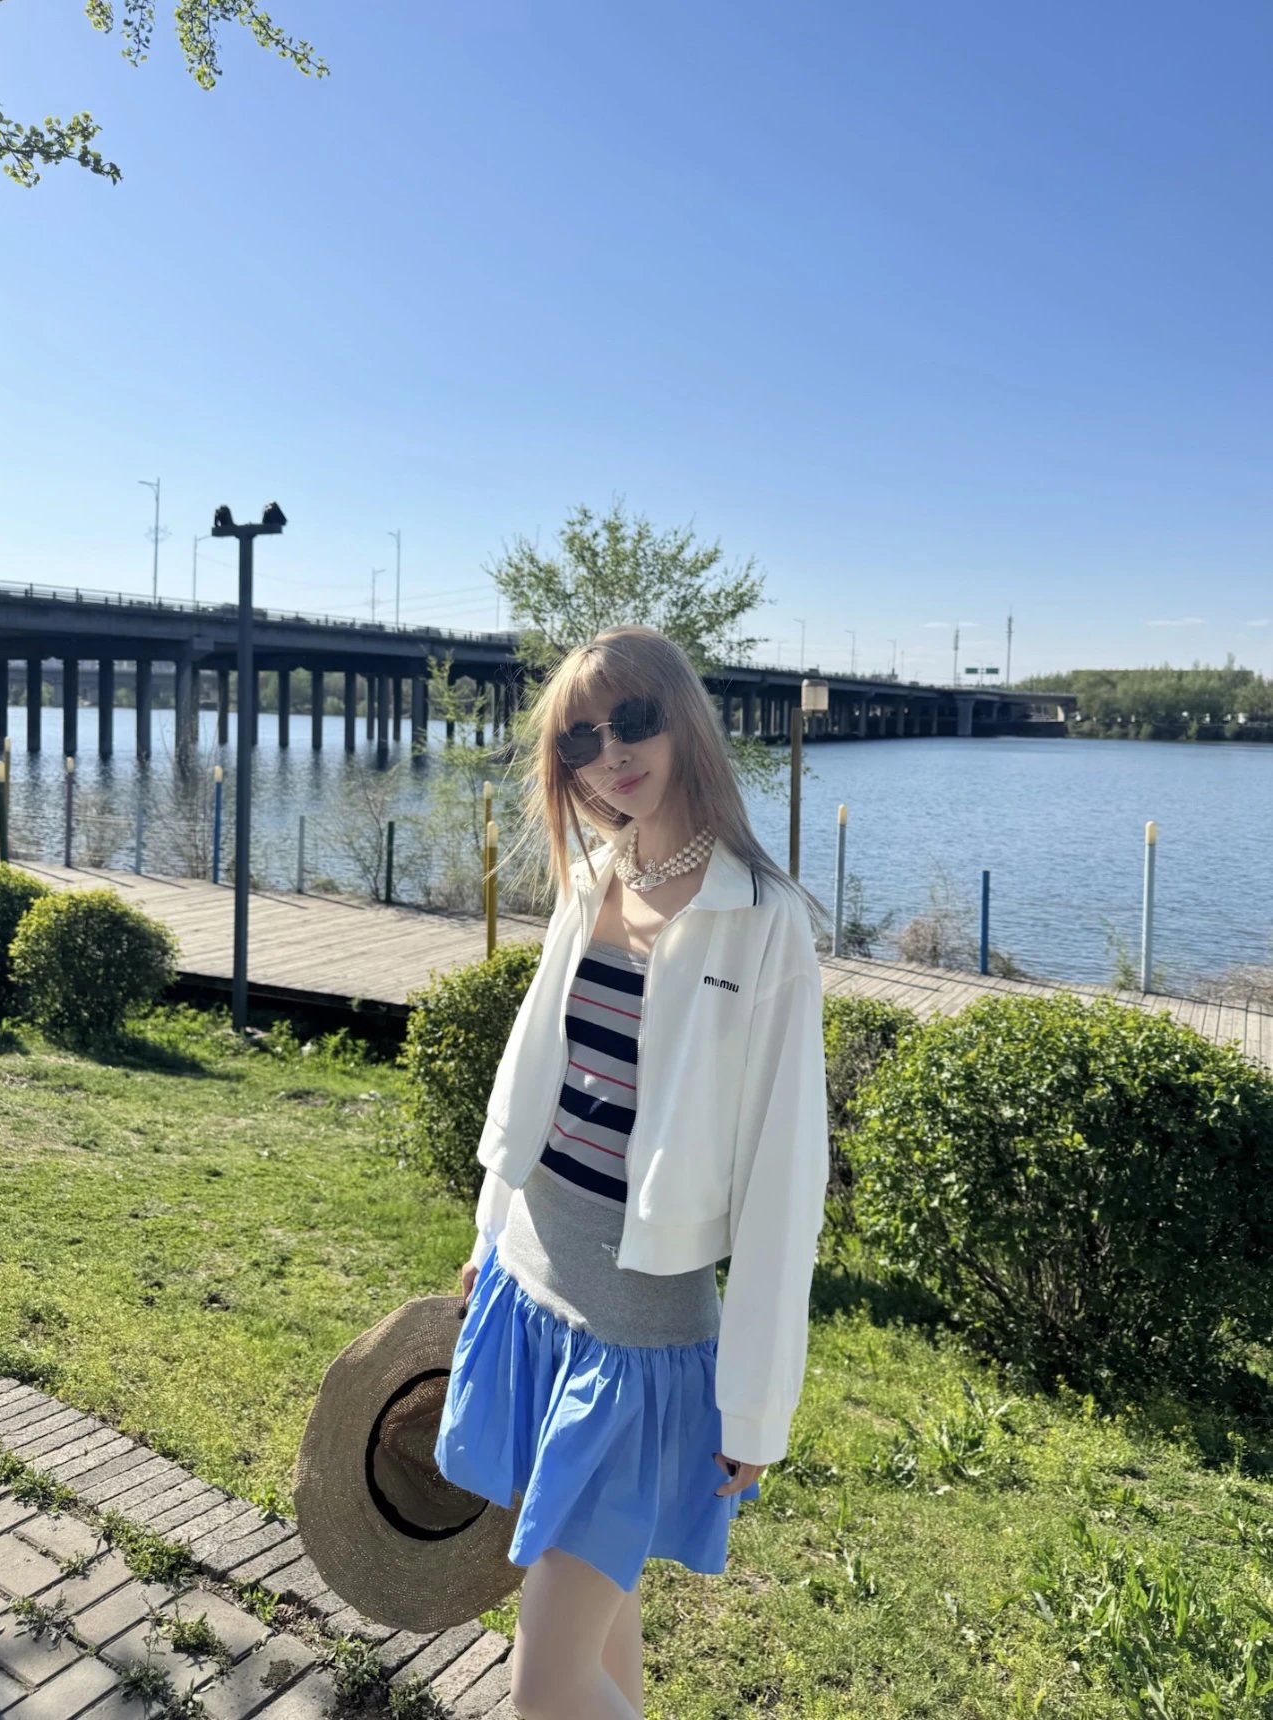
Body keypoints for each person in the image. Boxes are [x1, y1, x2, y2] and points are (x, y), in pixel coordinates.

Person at [433, 624, 831, 1720]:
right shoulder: (593, 878)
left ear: (683, 718)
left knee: (546, 1691)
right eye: (580, 739)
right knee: (604, 1649)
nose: (610, 752)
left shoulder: (764, 921)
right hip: (531, 1288)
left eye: (634, 720)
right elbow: (537, 1081)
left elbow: (785, 1179)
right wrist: (487, 1237)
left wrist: (755, 1402)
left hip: (639, 1340)